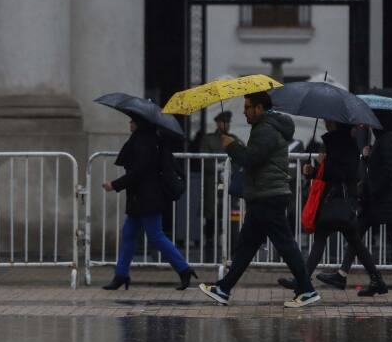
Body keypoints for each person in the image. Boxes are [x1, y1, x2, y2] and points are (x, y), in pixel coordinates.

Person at [199, 92, 320, 308]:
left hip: (268, 195)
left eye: (247, 107)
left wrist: (231, 146)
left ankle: (307, 289)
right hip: (262, 195)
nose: (244, 112)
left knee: (285, 244)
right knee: (246, 246)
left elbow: (251, 159)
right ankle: (223, 288)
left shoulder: (266, 129)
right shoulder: (265, 126)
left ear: (259, 108)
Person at [316, 110, 392, 291]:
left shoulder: (387, 139)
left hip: (385, 200)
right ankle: (344, 274)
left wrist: (371, 189)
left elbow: (389, 170)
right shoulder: (383, 139)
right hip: (378, 200)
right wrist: (368, 159)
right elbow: (379, 168)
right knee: (357, 233)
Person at [279, 119, 389, 297]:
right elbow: (333, 174)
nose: (325, 122)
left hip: (337, 201)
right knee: (352, 242)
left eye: (328, 120)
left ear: (336, 123)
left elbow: (343, 174)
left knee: (326, 239)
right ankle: (377, 280)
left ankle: (302, 280)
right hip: (337, 201)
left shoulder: (343, 143)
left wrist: (322, 164)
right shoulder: (339, 141)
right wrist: (315, 171)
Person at [102, 116, 196, 290]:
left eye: (132, 120)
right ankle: (121, 275)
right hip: (140, 197)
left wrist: (114, 185)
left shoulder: (144, 142)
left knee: (155, 236)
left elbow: (138, 171)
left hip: (147, 197)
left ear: (140, 123)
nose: (130, 123)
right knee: (129, 234)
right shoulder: (145, 139)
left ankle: (184, 269)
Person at [199, 110, 243, 256]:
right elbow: (204, 161)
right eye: (223, 122)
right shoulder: (209, 139)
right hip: (213, 184)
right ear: (217, 123)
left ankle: (232, 250)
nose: (226, 125)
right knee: (211, 217)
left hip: (229, 184)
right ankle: (210, 249)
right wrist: (220, 165)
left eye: (228, 122)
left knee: (231, 218)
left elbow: (242, 156)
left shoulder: (234, 139)